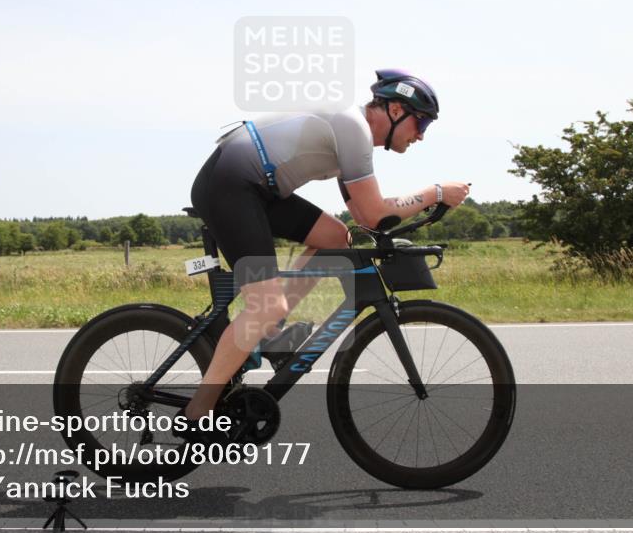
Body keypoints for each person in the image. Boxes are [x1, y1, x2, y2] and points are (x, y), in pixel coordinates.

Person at [176, 69, 470, 438]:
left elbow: (364, 218)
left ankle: (270, 333)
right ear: (396, 110)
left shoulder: (354, 135)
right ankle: (197, 412)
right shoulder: (353, 129)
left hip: (255, 186)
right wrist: (436, 193)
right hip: (231, 184)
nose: (422, 135)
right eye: (422, 122)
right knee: (265, 306)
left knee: (335, 237)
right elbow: (374, 214)